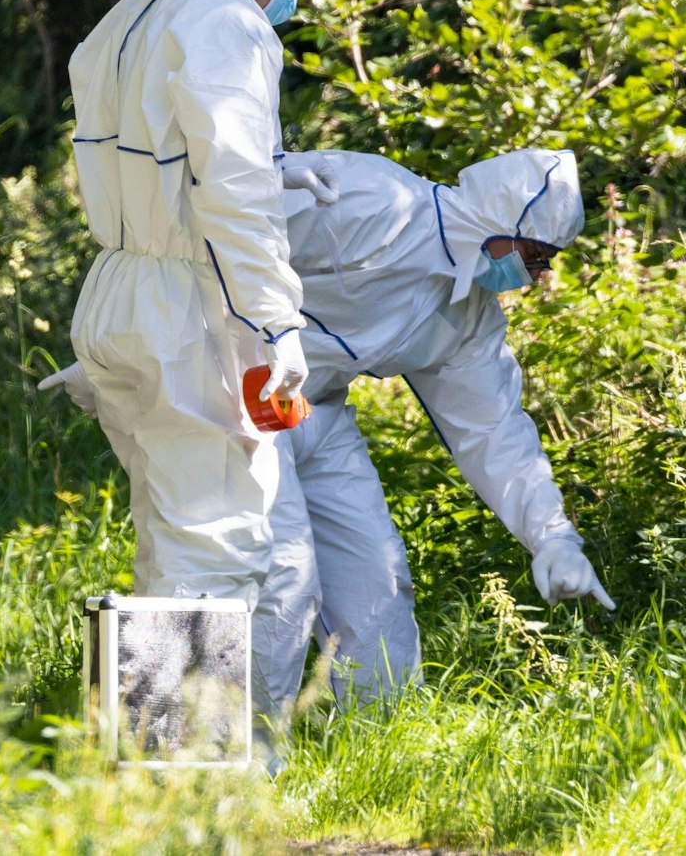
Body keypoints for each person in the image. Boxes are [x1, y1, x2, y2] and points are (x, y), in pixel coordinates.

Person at [44, 149, 614, 712]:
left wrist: (553, 536)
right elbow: (203, 232)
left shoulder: (468, 315)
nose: (538, 276)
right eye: (537, 254)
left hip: (315, 411)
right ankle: (227, 761)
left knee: (378, 582)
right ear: (498, 220)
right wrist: (127, 350)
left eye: (549, 260)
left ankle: (387, 740)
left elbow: (493, 429)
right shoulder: (368, 199)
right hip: (220, 392)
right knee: (274, 579)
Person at [60, 0, 336, 605]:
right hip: (182, 313)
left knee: (166, 540)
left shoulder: (135, 12)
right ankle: (194, 724)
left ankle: (139, 721)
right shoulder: (228, 22)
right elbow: (233, 190)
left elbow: (157, 154)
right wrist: (276, 325)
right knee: (218, 551)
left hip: (117, 293)